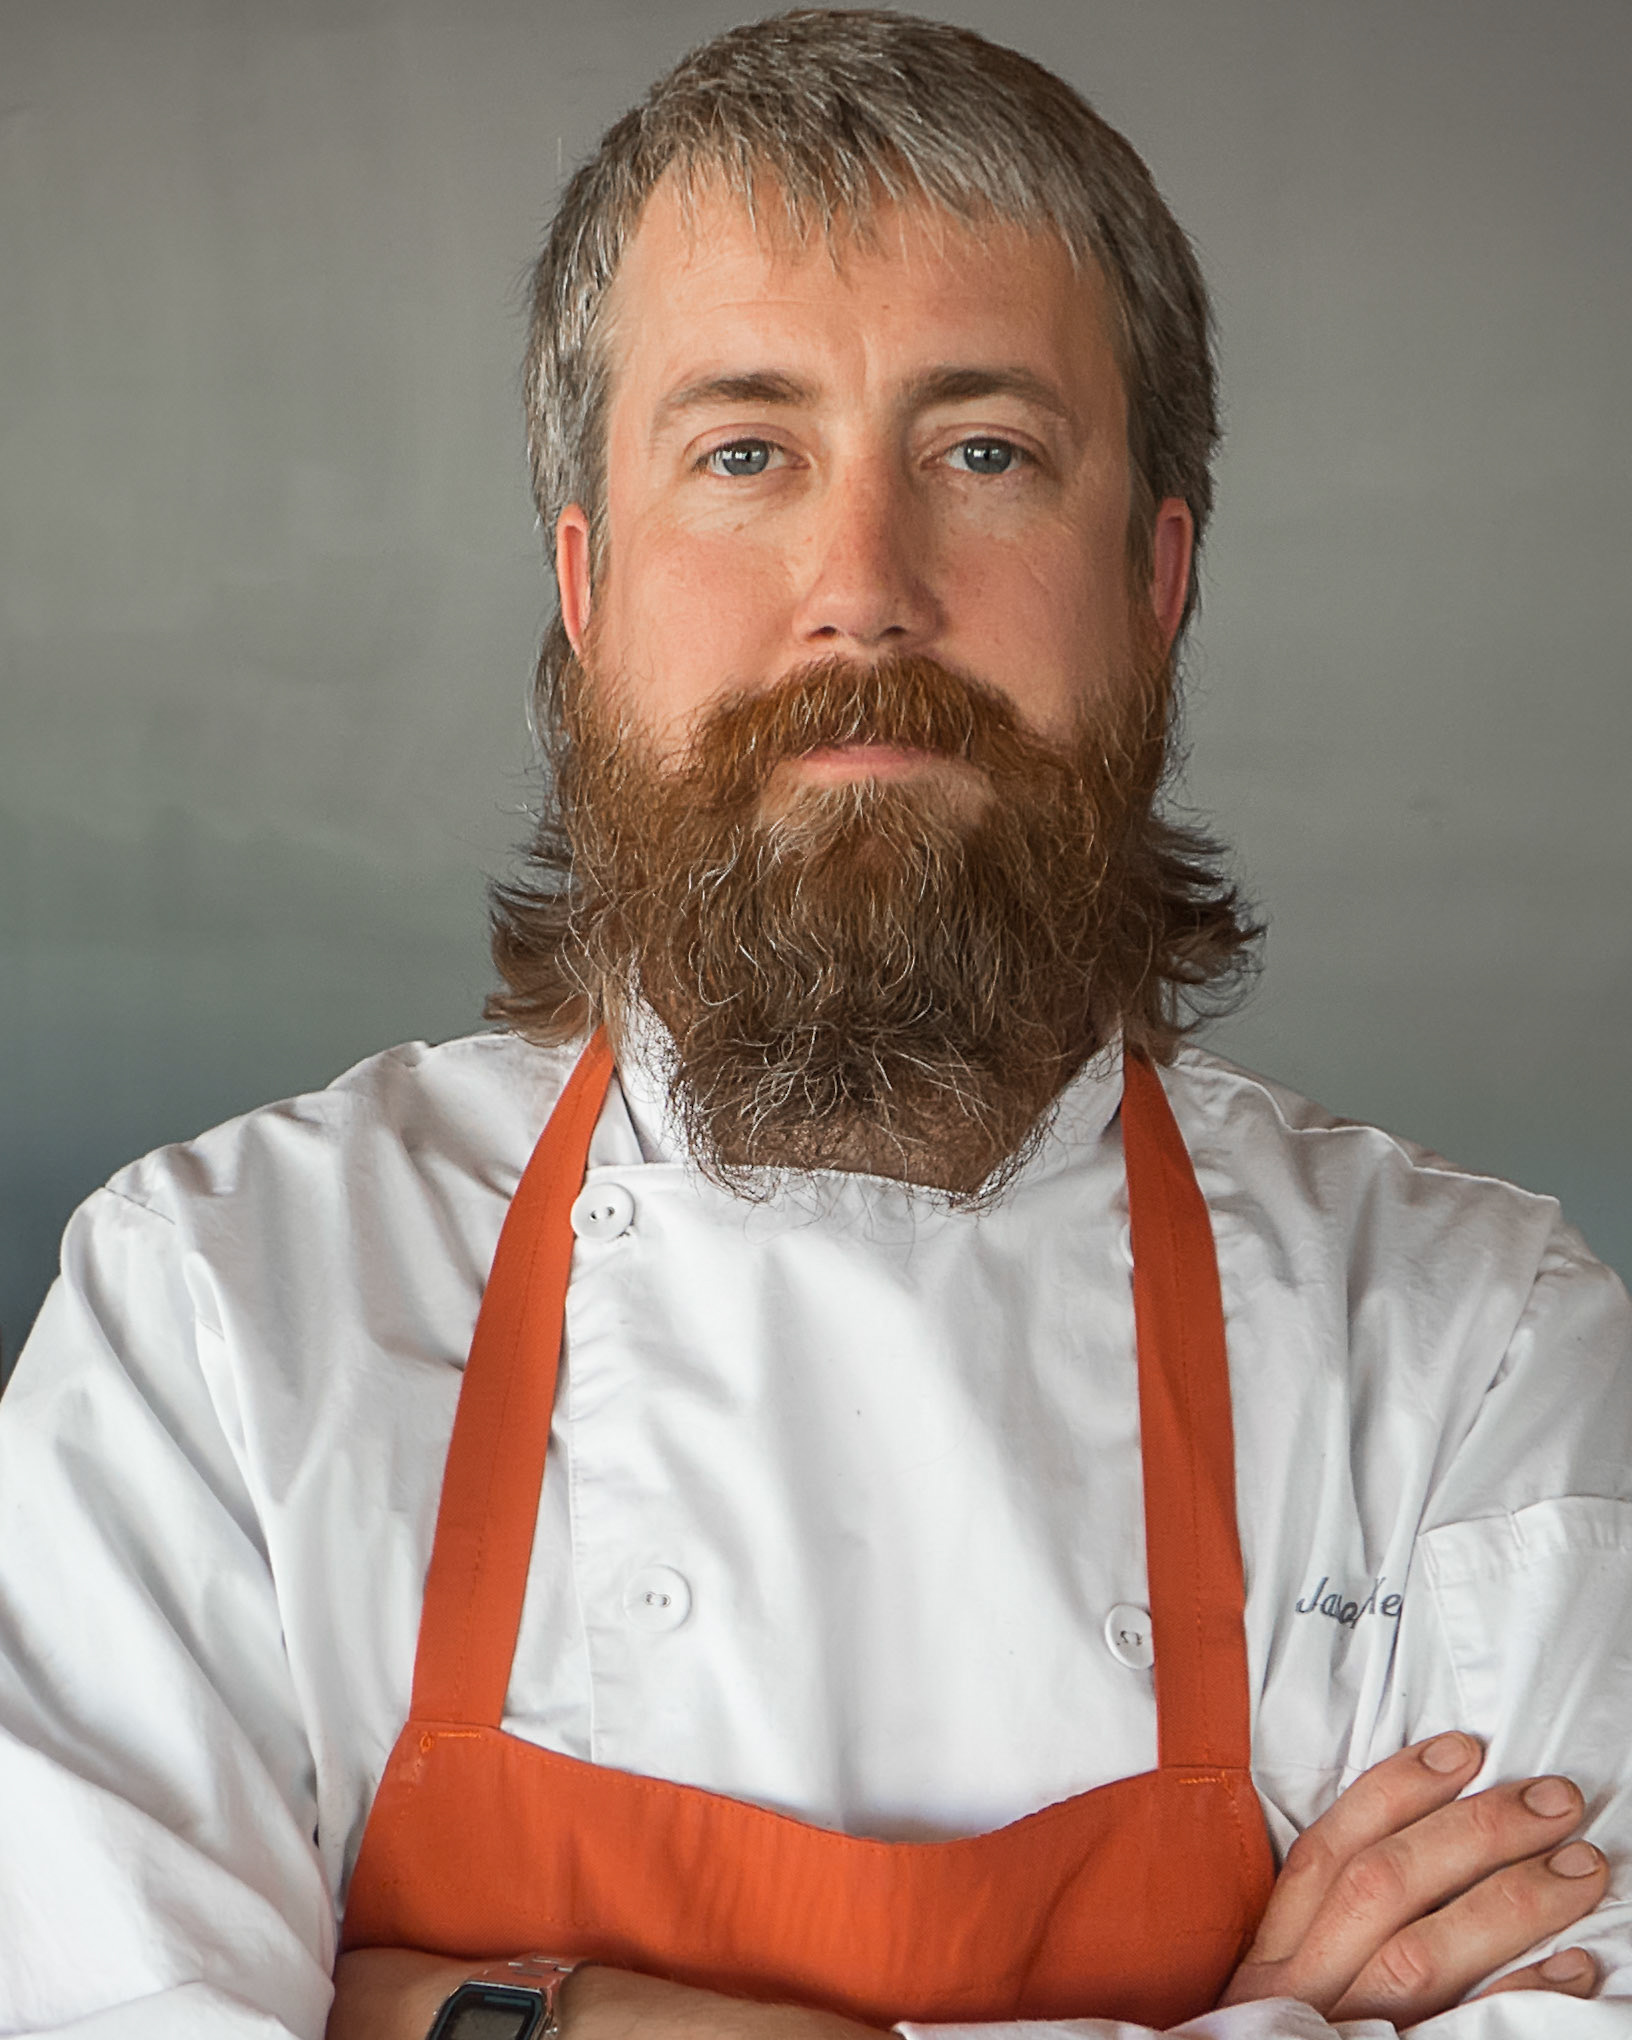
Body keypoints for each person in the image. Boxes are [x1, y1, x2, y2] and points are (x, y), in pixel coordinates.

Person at [2, 10, 1630, 2039]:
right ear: (588, 589)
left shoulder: (1474, 1354)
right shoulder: (220, 1323)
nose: (864, 590)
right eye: (746, 454)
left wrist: (483, 2017)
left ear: (1157, 582)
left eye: (985, 453)